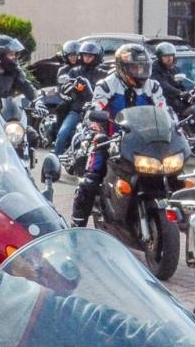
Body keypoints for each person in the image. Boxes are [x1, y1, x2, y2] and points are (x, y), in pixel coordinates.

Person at [70, 43, 169, 227]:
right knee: (91, 179)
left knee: (172, 170)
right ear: (122, 67)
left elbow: (163, 111)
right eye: (134, 67)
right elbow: (94, 109)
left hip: (142, 140)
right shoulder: (107, 85)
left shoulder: (153, 86)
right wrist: (97, 126)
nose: (139, 72)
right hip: (111, 139)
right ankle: (77, 226)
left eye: (142, 67)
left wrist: (173, 126)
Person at [53, 42, 99, 157]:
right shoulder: (74, 71)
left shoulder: (102, 73)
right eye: (85, 55)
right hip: (78, 110)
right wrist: (72, 88)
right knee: (63, 133)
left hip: (95, 112)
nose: (87, 58)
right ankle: (54, 159)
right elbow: (66, 88)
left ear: (96, 57)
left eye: (90, 56)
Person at [150, 41, 192, 108]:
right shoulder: (154, 68)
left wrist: (189, 93)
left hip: (175, 99)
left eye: (171, 55)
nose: (169, 58)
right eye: (165, 56)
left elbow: (180, 84)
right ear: (159, 57)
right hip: (161, 101)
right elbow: (162, 84)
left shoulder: (174, 69)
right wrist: (179, 93)